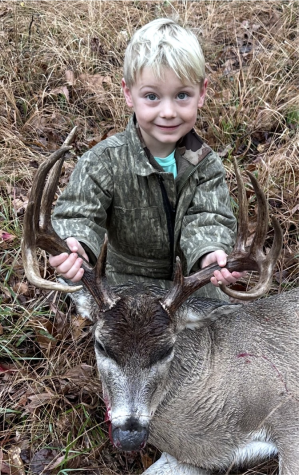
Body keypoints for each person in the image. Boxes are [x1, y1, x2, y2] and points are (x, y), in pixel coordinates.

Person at [50, 18, 245, 300]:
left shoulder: (205, 164)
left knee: (222, 308)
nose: (168, 111)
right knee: (79, 285)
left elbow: (209, 218)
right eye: (152, 96)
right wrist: (76, 244)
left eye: (182, 95)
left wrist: (210, 253)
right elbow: (78, 213)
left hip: (187, 282)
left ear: (201, 93)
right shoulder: (104, 161)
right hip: (122, 284)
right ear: (129, 93)